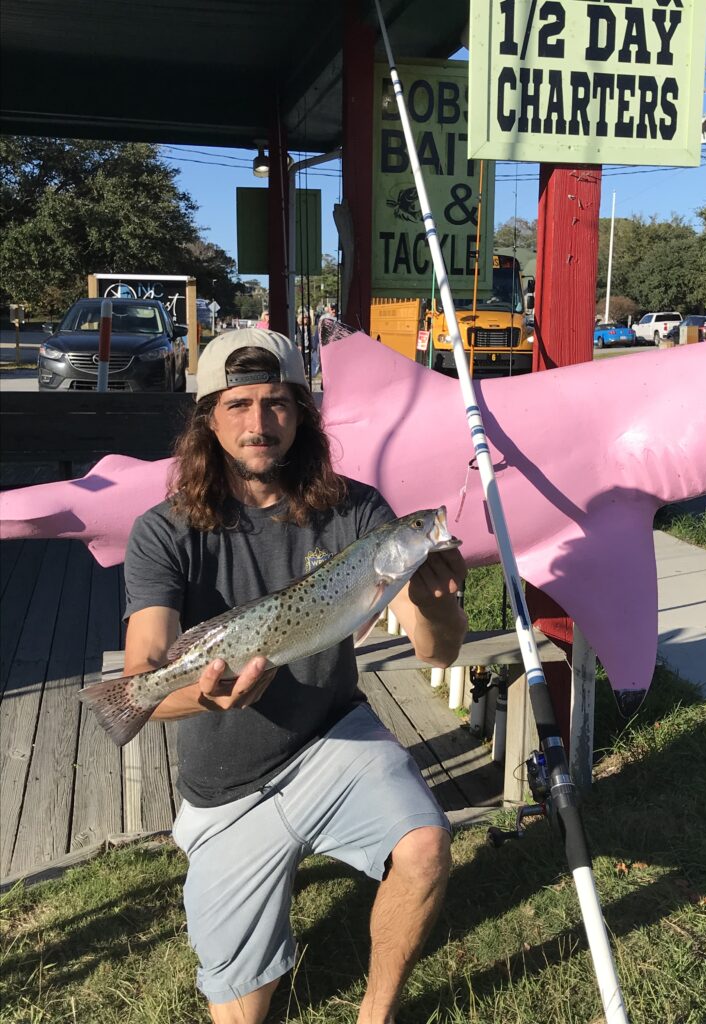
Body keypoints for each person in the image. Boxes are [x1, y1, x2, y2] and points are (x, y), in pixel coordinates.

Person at [122, 328, 467, 1024]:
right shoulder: (162, 531)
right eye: (238, 404)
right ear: (208, 419)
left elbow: (437, 655)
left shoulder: (358, 512)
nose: (258, 424)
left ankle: (377, 1013)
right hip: (226, 784)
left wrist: (435, 607)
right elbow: (142, 678)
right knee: (242, 1016)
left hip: (333, 735)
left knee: (427, 845)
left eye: (277, 403)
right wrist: (201, 694)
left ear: (302, 414)